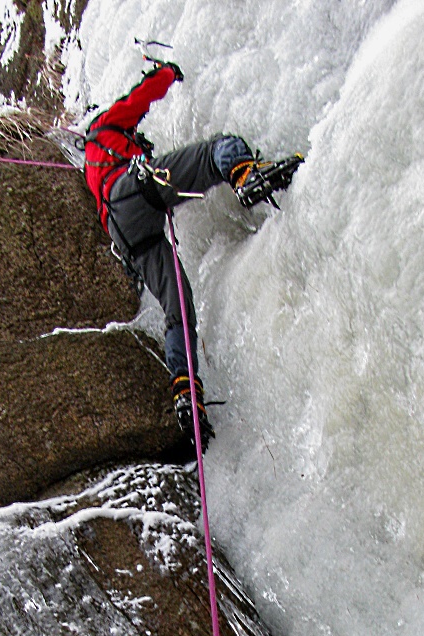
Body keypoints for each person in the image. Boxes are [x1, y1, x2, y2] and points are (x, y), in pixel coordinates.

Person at [82, 62, 302, 450]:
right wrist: (167, 73)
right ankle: (245, 175)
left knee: (178, 307)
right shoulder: (105, 128)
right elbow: (140, 97)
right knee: (215, 149)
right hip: (132, 191)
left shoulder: (91, 168)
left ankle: (185, 391)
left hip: (125, 233)